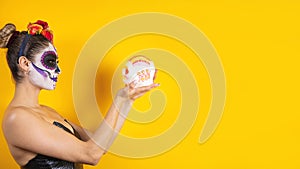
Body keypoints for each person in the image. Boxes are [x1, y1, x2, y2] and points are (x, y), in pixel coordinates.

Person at [0, 20, 159, 169]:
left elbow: (100, 144)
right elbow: (91, 154)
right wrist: (120, 99)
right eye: (50, 61)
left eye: (57, 62)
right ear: (25, 63)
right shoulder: (17, 119)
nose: (58, 70)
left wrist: (128, 100)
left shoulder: (46, 111)